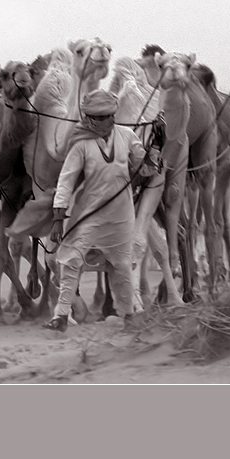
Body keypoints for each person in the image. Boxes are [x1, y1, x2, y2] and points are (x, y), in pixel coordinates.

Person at [42, 88, 165, 333]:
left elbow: (146, 169)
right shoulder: (81, 145)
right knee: (71, 258)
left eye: (107, 116)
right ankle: (61, 315)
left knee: (122, 264)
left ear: (113, 115)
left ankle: (129, 314)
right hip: (89, 212)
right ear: (88, 118)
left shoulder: (128, 137)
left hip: (121, 215)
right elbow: (66, 180)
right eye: (96, 117)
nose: (102, 121)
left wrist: (158, 144)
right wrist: (58, 216)